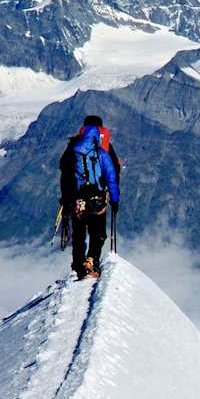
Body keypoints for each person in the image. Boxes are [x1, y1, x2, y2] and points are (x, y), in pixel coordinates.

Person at [59, 115, 121, 280]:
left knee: (79, 234)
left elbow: (64, 174)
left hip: (77, 201)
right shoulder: (102, 152)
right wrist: (114, 200)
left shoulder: (72, 150)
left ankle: (78, 266)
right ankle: (91, 262)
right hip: (97, 200)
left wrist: (65, 200)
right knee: (98, 233)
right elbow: (113, 176)